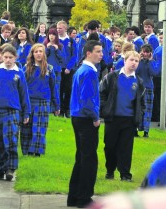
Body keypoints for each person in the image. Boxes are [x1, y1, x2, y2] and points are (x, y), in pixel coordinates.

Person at [67, 40, 103, 209]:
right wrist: (95, 117)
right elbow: (87, 98)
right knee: (89, 159)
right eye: (98, 51)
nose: (101, 54)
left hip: (77, 116)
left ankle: (74, 196)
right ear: (88, 53)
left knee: (81, 157)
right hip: (85, 117)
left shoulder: (81, 69)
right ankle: (84, 198)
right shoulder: (89, 72)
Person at [100, 51, 145, 182]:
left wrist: (139, 114)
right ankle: (110, 170)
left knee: (125, 148)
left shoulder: (139, 81)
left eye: (137, 61)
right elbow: (102, 93)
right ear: (125, 60)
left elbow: (141, 102)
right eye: (132, 60)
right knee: (110, 146)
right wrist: (104, 109)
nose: (134, 63)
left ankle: (125, 174)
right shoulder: (112, 76)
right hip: (113, 118)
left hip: (129, 119)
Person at [0, 45, 30, 181]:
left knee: (11, 138)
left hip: (12, 110)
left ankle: (10, 168)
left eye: (10, 58)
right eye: (5, 57)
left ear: (15, 58)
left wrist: (26, 113)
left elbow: (24, 94)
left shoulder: (19, 73)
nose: (7, 60)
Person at [21, 44, 60, 156]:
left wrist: (57, 105)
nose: (38, 54)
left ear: (44, 54)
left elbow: (53, 88)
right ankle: (27, 152)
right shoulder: (26, 68)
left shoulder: (49, 68)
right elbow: (22, 87)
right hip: (29, 101)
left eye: (40, 51)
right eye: (36, 51)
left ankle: (37, 152)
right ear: (32, 54)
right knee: (26, 128)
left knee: (39, 129)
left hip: (43, 101)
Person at [136, 44, 160, 137]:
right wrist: (138, 59)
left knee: (147, 110)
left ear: (150, 53)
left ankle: (146, 131)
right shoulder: (137, 61)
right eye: (143, 52)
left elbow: (154, 72)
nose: (145, 54)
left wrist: (150, 61)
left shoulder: (153, 62)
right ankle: (136, 130)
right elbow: (135, 71)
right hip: (138, 87)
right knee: (137, 109)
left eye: (147, 52)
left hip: (149, 87)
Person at [57, 20, 77, 118]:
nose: (58, 30)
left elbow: (74, 55)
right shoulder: (56, 40)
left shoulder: (71, 41)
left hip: (69, 69)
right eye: (57, 28)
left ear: (65, 28)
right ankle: (60, 109)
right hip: (59, 69)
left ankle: (67, 108)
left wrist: (69, 67)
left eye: (60, 28)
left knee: (68, 89)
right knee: (59, 89)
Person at [43, 28, 64, 107]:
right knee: (47, 89)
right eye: (50, 34)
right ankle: (48, 108)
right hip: (46, 70)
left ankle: (56, 108)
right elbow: (42, 57)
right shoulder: (44, 45)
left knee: (56, 90)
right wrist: (47, 49)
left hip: (57, 71)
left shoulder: (60, 46)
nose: (51, 36)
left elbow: (62, 59)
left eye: (53, 34)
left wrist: (57, 50)